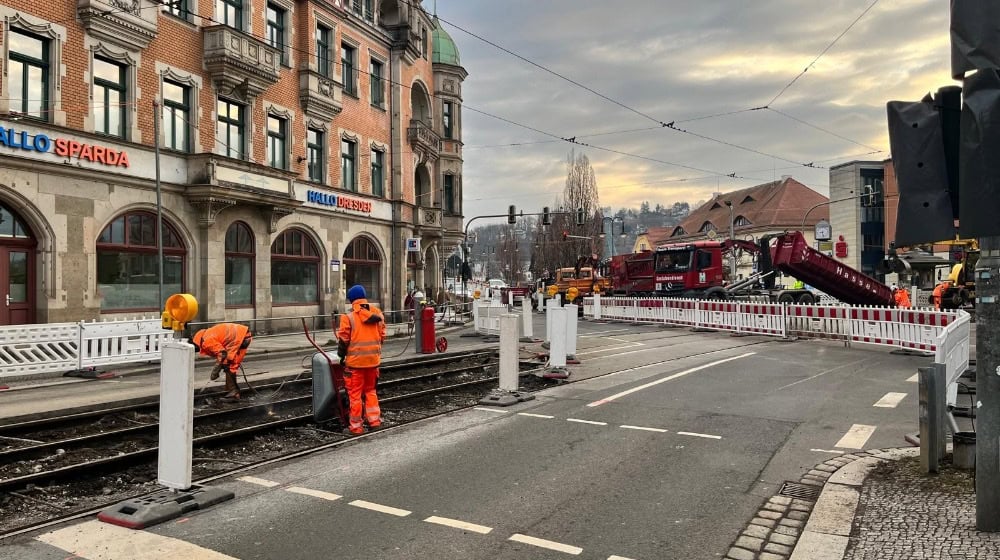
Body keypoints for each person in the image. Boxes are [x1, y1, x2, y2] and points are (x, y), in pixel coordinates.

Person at [337, 285, 387, 435]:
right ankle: (374, 421)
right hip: (373, 362)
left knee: (355, 395)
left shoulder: (348, 317)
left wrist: (341, 356)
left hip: (355, 365)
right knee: (371, 391)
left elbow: (343, 340)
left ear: (351, 300)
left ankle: (356, 427)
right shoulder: (378, 313)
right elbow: (382, 336)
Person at [191, 323, 253, 400]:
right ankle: (234, 393)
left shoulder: (206, 341)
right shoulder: (209, 334)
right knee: (231, 366)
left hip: (240, 338)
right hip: (244, 336)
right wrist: (223, 364)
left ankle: (234, 393)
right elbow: (223, 354)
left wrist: (215, 371)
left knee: (229, 367)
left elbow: (222, 353)